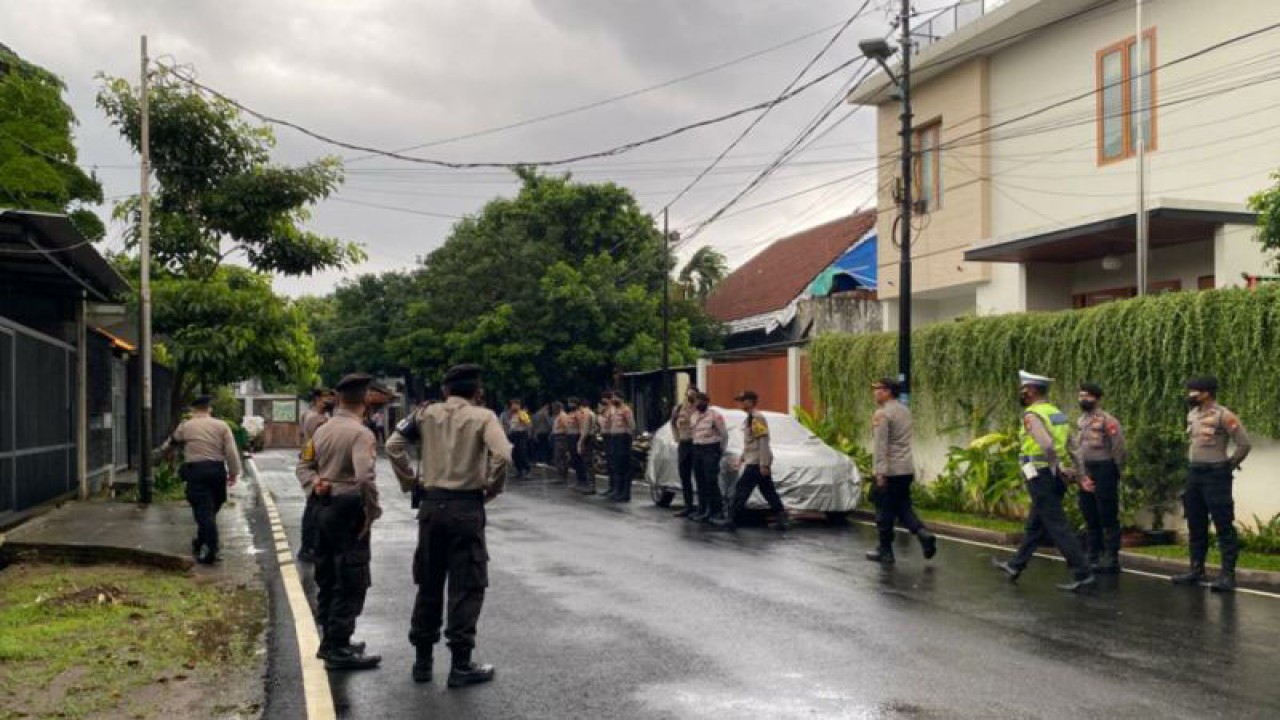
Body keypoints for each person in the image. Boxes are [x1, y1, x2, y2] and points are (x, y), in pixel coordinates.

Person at [386, 364, 512, 687]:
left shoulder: (424, 415)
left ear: (445, 391)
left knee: (428, 582)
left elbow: (393, 446)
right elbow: (503, 455)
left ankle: (423, 662)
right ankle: (460, 664)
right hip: (466, 507)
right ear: (477, 392)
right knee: (466, 585)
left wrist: (410, 480)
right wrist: (491, 489)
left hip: (430, 506)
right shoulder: (484, 417)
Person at [296, 373, 383, 670]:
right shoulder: (361, 433)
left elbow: (303, 464)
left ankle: (333, 638)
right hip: (348, 508)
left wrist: (315, 482)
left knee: (327, 573)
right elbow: (364, 477)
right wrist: (372, 511)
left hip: (322, 506)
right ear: (366, 399)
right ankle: (337, 647)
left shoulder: (322, 430)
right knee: (351, 577)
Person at [992, 371, 1096, 592]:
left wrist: (1055, 467)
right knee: (1035, 524)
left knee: (1057, 525)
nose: (1022, 393)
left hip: (1041, 474)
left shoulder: (1032, 415)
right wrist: (1080, 474)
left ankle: (1083, 572)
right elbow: (1074, 448)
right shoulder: (1057, 413)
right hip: (1053, 476)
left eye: (1024, 389)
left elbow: (1047, 446)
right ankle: (1015, 565)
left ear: (1031, 391)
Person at [1172, 376, 1252, 593]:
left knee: (1223, 524)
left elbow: (1244, 444)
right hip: (1194, 474)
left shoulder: (1223, 415)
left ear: (1206, 393)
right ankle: (1196, 570)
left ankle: (1228, 575)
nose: (1190, 395)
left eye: (1193, 391)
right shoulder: (1192, 415)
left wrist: (1228, 466)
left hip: (1216, 475)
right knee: (1196, 524)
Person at [162, 395, 242, 565]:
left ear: (193, 410)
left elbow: (172, 442)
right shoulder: (222, 426)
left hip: (196, 472)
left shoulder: (186, 426)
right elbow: (231, 451)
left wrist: (165, 453)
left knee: (204, 511)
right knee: (212, 507)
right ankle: (205, 543)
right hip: (216, 472)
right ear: (209, 409)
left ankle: (208, 547)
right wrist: (234, 472)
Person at [864, 379, 936, 563]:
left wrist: (880, 473)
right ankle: (923, 534)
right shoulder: (905, 410)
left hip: (890, 470)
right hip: (906, 468)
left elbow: (881, 446)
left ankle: (885, 550)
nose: (875, 393)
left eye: (878, 389)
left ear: (888, 391)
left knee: (884, 510)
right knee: (903, 507)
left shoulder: (882, 414)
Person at [1069, 382, 1127, 574]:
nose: (1083, 399)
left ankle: (1112, 557)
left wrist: (1117, 470)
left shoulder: (1107, 420)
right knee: (1089, 513)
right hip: (1086, 470)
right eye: (1081, 395)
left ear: (1097, 398)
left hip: (1105, 469)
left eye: (1087, 396)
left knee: (1107, 513)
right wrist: (1080, 472)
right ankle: (1092, 555)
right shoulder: (1081, 421)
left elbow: (1119, 447)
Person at [713, 391, 787, 531]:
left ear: (750, 401)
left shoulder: (757, 418)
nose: (740, 403)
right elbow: (750, 443)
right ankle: (782, 517)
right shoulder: (750, 418)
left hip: (756, 463)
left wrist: (764, 464)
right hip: (754, 460)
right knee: (768, 491)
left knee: (741, 490)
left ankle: (731, 519)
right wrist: (742, 458)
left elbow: (763, 441)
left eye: (742, 400)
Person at [297, 389, 333, 563]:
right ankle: (308, 547)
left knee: (312, 508)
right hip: (316, 465)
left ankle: (309, 546)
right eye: (327, 398)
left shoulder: (307, 415)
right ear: (318, 399)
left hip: (311, 461)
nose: (331, 401)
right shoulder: (316, 419)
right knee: (313, 508)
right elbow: (318, 442)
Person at [689, 392, 728, 523]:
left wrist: (719, 451)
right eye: (696, 401)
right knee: (700, 481)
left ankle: (716, 511)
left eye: (700, 401)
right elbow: (694, 433)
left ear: (706, 402)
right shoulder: (694, 416)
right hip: (697, 449)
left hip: (710, 449)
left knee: (711, 481)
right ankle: (702, 509)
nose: (697, 404)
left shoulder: (715, 416)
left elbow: (724, 435)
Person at [670, 386, 700, 518]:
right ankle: (688, 506)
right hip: (684, 444)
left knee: (700, 477)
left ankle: (702, 507)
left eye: (693, 394)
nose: (690, 397)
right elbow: (673, 423)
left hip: (696, 445)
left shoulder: (701, 409)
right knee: (685, 476)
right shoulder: (678, 408)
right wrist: (677, 438)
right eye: (689, 394)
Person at [603, 390, 636, 502]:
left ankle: (625, 493)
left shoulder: (626, 410)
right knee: (616, 466)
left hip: (623, 438)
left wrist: (630, 440)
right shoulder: (614, 411)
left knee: (624, 466)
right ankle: (618, 490)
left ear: (621, 399)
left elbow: (632, 425)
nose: (613, 400)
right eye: (612, 397)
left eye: (615, 397)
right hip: (615, 438)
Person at [506, 399, 533, 480]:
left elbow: (528, 424)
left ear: (518, 405)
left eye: (514, 404)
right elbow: (511, 426)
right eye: (511, 405)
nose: (512, 406)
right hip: (514, 435)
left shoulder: (522, 413)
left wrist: (528, 434)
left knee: (522, 453)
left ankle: (528, 470)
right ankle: (519, 471)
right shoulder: (513, 415)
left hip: (521, 435)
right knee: (514, 454)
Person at [549, 401, 569, 481]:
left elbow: (566, 427)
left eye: (554, 408)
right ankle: (561, 475)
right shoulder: (558, 416)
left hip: (561, 438)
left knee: (559, 457)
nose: (553, 410)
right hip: (558, 437)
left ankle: (562, 476)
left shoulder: (562, 416)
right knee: (559, 457)